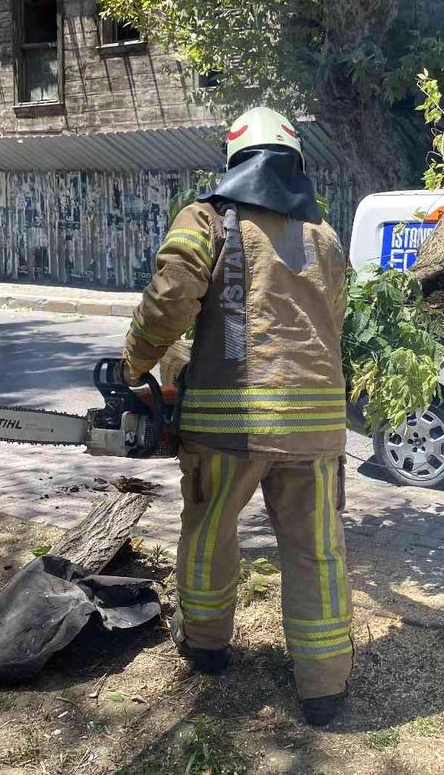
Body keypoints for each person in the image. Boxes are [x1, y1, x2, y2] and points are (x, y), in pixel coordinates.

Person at [121, 107, 352, 726]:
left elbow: (171, 298)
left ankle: (206, 647)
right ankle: (325, 685)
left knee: (209, 536)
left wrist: (135, 363)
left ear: (233, 162)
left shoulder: (206, 221)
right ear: (294, 165)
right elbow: (332, 326)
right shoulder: (326, 240)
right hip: (318, 431)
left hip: (229, 427)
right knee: (317, 554)